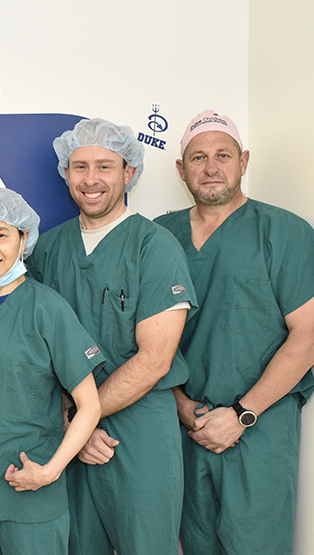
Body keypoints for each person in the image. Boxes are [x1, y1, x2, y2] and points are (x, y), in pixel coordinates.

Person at [154, 109, 314, 554]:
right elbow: (143, 339)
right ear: (181, 169)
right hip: (184, 427)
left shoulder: (283, 231)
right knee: (194, 544)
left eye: (224, 155)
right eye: (198, 158)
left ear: (245, 161)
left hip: (259, 430)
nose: (212, 167)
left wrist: (241, 415)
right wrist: (181, 405)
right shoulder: (159, 237)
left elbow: (310, 338)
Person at [27, 118, 197, 554]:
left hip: (139, 428)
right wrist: (73, 421)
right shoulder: (48, 249)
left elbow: (154, 359)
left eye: (105, 166)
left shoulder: (154, 247)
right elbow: (37, 352)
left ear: (130, 173)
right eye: (79, 166)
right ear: (66, 174)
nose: (91, 179)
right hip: (69, 428)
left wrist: (82, 423)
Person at [0, 187, 103, 555]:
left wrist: (51, 470)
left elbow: (89, 406)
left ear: (23, 238)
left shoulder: (47, 308)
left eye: (1, 235)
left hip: (30, 492)